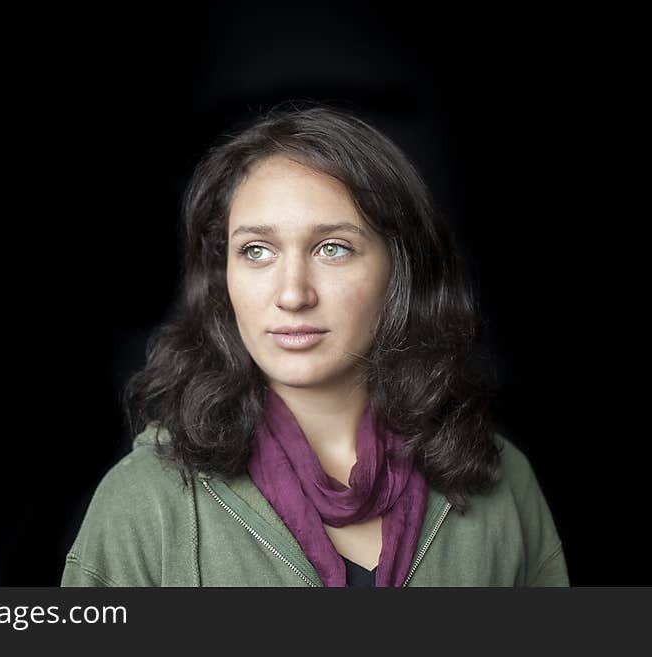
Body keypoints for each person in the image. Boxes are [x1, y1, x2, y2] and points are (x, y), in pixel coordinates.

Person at [61, 102, 569, 587]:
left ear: (401, 269)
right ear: (224, 277)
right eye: (256, 250)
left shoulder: (504, 482)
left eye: (333, 248)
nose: (292, 294)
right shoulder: (142, 500)